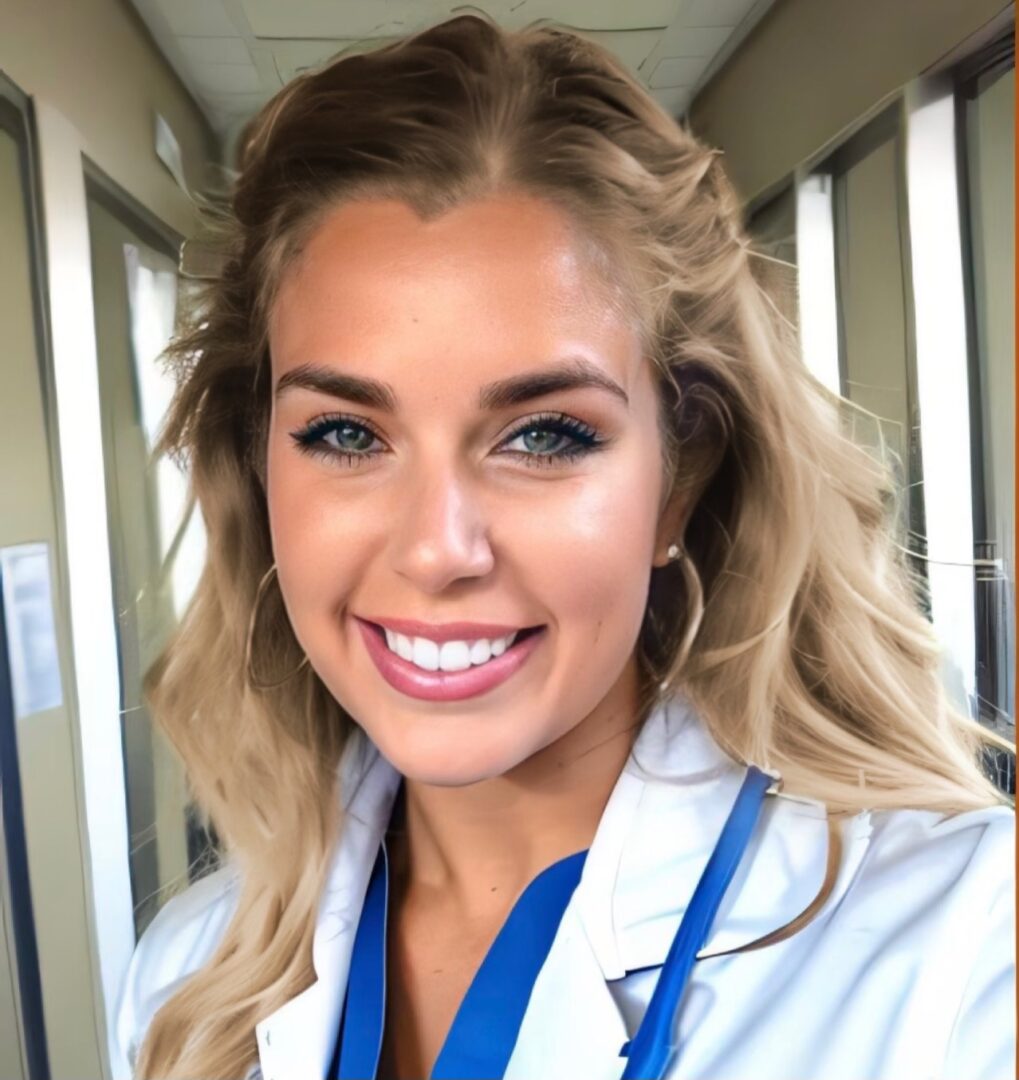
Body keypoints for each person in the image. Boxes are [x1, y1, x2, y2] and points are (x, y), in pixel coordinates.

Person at [112, 13, 1015, 1080]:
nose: (437, 549)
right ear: (259, 470)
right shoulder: (189, 984)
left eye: (543, 435)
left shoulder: (965, 955)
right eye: (345, 434)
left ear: (677, 482)